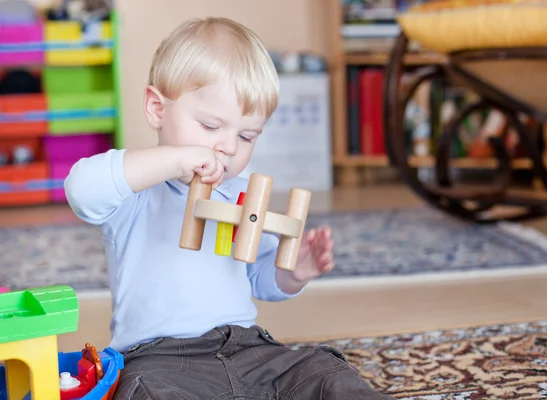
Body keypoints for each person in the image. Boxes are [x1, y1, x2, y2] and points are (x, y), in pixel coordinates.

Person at [64, 17, 391, 399]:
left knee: (323, 371)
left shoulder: (239, 196)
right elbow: (81, 188)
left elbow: (260, 281)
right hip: (161, 358)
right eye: (209, 126)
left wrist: (294, 272)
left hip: (250, 350)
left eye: (246, 135)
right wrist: (174, 159)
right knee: (144, 391)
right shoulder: (137, 192)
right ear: (156, 108)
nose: (229, 147)